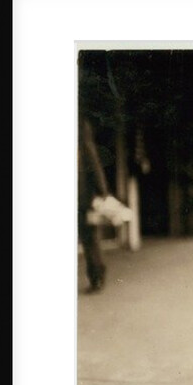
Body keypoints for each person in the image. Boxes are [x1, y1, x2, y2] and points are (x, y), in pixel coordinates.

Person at [78, 117, 110, 293]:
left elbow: (94, 165)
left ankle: (97, 276)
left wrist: (101, 192)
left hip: (84, 200)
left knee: (89, 237)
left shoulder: (84, 143)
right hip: (83, 198)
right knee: (89, 238)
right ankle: (97, 275)